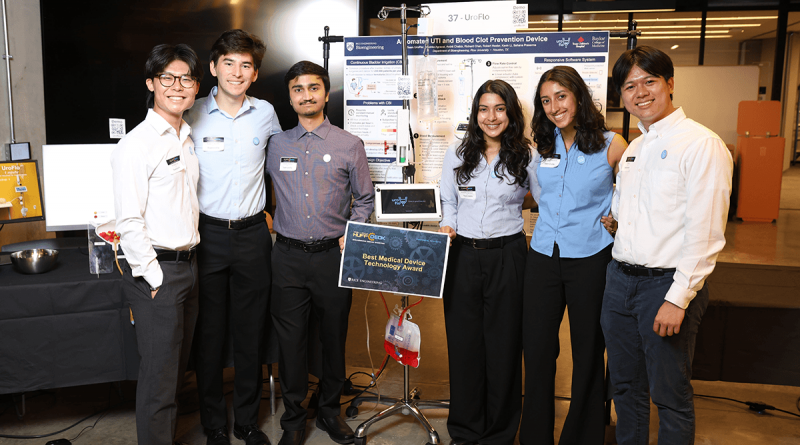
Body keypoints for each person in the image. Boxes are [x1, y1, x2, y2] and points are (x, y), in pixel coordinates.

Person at [601, 46, 733, 445]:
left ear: (670, 84)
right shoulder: (635, 149)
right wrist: (616, 226)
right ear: (621, 96)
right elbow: (629, 213)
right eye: (629, 86)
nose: (640, 92)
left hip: (665, 286)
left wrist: (678, 299)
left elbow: (706, 232)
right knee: (625, 389)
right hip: (619, 283)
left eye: (649, 81)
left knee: (670, 395)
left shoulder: (701, 145)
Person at [266, 60, 374, 445]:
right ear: (290, 97)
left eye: (314, 88)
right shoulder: (276, 144)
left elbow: (365, 198)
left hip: (333, 257)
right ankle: (294, 421)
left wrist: (353, 231)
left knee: (333, 337)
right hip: (288, 258)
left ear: (326, 94)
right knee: (291, 342)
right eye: (298, 89)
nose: (306, 95)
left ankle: (329, 412)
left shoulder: (349, 145)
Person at [520, 66, 627, 445]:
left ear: (578, 96)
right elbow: (535, 196)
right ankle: (535, 436)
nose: (553, 107)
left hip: (591, 258)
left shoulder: (613, 144)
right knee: (537, 348)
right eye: (546, 101)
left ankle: (582, 436)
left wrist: (617, 219)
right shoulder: (541, 148)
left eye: (560, 97)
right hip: (543, 256)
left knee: (588, 350)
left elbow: (633, 196)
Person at [183, 29, 281, 445]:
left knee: (250, 332)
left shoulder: (267, 114)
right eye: (229, 63)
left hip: (253, 235)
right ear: (213, 67)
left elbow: (281, 170)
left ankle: (245, 421)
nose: (237, 72)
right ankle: (214, 425)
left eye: (245, 65)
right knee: (209, 334)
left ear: (255, 73)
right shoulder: (191, 114)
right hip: (206, 236)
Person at [111, 43, 203, 445]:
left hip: (189, 267)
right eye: (167, 77)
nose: (177, 86)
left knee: (177, 371)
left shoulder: (186, 137)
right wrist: (153, 276)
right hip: (160, 274)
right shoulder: (137, 143)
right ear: (152, 84)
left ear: (197, 86)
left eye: (186, 78)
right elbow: (128, 219)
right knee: (160, 380)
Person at [438, 79, 531, 445]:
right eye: (483, 109)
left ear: (510, 112)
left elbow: (542, 198)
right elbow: (449, 200)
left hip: (508, 256)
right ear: (475, 114)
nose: (491, 117)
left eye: (499, 108)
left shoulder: (527, 156)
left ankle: (499, 433)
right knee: (464, 346)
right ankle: (465, 429)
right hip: (461, 256)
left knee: (504, 346)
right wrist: (447, 224)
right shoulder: (458, 154)